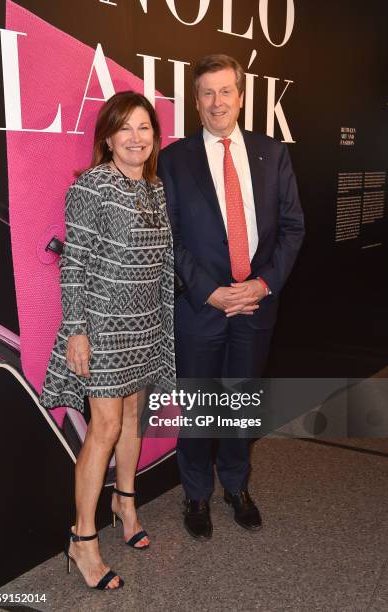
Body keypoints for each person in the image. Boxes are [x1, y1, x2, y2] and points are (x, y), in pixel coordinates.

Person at [158, 54, 304, 539]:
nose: (217, 102)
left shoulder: (272, 153)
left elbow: (291, 229)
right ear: (195, 102)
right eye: (207, 93)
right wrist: (210, 292)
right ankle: (196, 493)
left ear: (241, 97)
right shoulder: (174, 159)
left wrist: (262, 285)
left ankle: (237, 486)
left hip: (257, 304)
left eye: (226, 91)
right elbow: (169, 237)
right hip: (200, 308)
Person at [40, 91, 175, 588]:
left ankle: (126, 504)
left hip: (145, 327)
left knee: (134, 418)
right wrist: (77, 330)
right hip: (103, 326)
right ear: (108, 137)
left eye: (144, 128)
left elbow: (160, 268)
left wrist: (162, 328)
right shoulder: (92, 186)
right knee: (104, 429)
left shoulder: (155, 189)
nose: (135, 138)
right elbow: (73, 264)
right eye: (125, 128)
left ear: (155, 138)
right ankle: (83, 540)